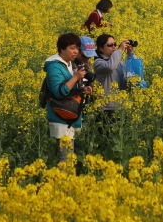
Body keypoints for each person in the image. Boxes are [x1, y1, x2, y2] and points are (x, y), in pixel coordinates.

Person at [43, 33, 91, 162]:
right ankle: (62, 180)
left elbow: (69, 88)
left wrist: (82, 89)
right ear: (62, 48)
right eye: (72, 48)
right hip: (60, 116)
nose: (76, 51)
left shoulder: (68, 64)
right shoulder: (54, 66)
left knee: (69, 155)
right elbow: (59, 91)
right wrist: (76, 77)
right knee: (65, 156)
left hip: (69, 115)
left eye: (77, 48)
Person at [92, 35, 135, 130]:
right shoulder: (98, 63)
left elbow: (133, 71)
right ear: (101, 48)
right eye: (110, 45)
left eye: (115, 44)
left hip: (121, 107)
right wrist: (119, 50)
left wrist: (130, 53)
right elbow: (110, 67)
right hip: (107, 109)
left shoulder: (119, 63)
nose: (114, 47)